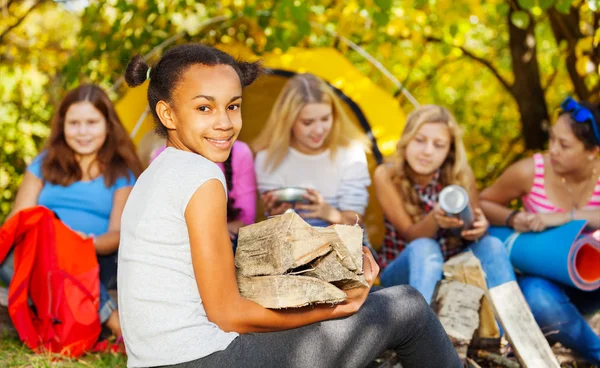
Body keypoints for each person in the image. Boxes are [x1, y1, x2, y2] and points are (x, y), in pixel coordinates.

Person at [117, 44, 461, 368]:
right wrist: (338, 307)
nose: (224, 122)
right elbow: (227, 315)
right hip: (203, 359)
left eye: (233, 106)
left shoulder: (155, 173)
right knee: (408, 308)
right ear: (168, 114)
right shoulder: (202, 175)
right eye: (204, 108)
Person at [0, 84, 143, 338]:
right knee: (27, 255)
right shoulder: (43, 164)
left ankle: (76, 312)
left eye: (92, 122)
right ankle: (110, 318)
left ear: (107, 125)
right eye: (74, 123)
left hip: (95, 256)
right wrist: (54, 245)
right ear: (62, 126)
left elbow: (118, 234)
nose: (83, 132)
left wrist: (82, 244)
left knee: (69, 260)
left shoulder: (122, 172)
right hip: (38, 256)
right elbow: (17, 221)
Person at [480, 97, 600, 364]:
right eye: (552, 139)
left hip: (590, 282)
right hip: (542, 282)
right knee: (537, 298)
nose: (553, 150)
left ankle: (566, 330)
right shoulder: (530, 171)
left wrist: (563, 218)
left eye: (564, 144)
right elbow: (482, 202)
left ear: (592, 151)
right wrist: (512, 218)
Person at [373, 105, 516, 303]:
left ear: (449, 150)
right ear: (406, 140)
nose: (427, 151)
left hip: (452, 267)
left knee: (491, 244)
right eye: (420, 140)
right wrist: (436, 218)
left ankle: (508, 327)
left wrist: (478, 227)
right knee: (425, 247)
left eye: (439, 145)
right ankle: (421, 330)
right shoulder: (386, 175)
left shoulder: (461, 175)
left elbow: (471, 232)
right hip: (403, 273)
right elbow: (412, 235)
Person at [253, 73, 371, 229]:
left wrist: (329, 213)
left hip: (343, 242)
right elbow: (274, 226)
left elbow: (355, 222)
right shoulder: (269, 158)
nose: (319, 130)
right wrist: (275, 213)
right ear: (288, 121)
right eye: (308, 122)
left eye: (325, 119)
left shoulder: (350, 153)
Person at [144, 136, 257, 251]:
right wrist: (209, 234)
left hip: (225, 241)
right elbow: (161, 222)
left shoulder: (239, 152)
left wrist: (218, 235)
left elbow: (246, 217)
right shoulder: (162, 158)